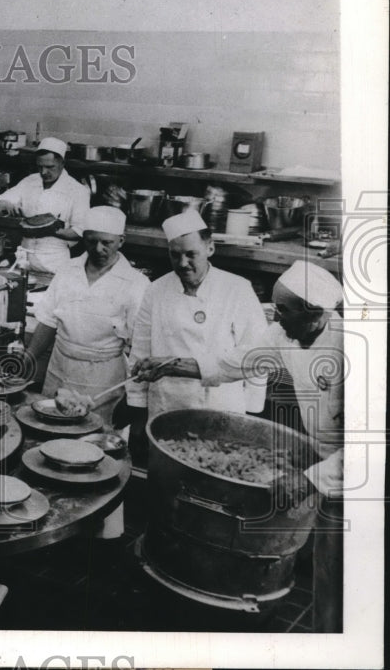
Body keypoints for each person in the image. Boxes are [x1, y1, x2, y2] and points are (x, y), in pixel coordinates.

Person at [134, 260, 345, 631]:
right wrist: (172, 365)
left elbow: (375, 444)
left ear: (314, 314)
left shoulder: (354, 351)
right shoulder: (286, 336)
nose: (276, 318)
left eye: (284, 310)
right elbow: (234, 362)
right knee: (330, 570)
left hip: (362, 474)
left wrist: (310, 480)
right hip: (327, 464)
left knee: (360, 577)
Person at [125, 209, 268, 421]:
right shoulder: (156, 290)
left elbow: (257, 352)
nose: (182, 263)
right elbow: (140, 352)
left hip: (221, 405)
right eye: (175, 255)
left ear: (210, 248)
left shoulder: (236, 288)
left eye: (191, 254)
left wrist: (253, 409)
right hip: (166, 404)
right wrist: (136, 405)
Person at [26, 205, 150, 427]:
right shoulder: (67, 270)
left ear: (121, 240)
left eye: (106, 243)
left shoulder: (136, 284)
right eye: (91, 241)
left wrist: (135, 399)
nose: (98, 248)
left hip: (102, 379)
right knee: (50, 428)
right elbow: (48, 321)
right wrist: (29, 357)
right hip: (60, 367)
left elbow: (139, 347)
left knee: (93, 438)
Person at [0, 137, 90, 273]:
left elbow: (80, 232)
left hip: (54, 262)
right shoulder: (30, 181)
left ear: (62, 163)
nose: (44, 172)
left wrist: (51, 230)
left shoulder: (78, 191)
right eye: (40, 167)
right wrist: (6, 204)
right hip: (24, 260)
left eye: (50, 167)